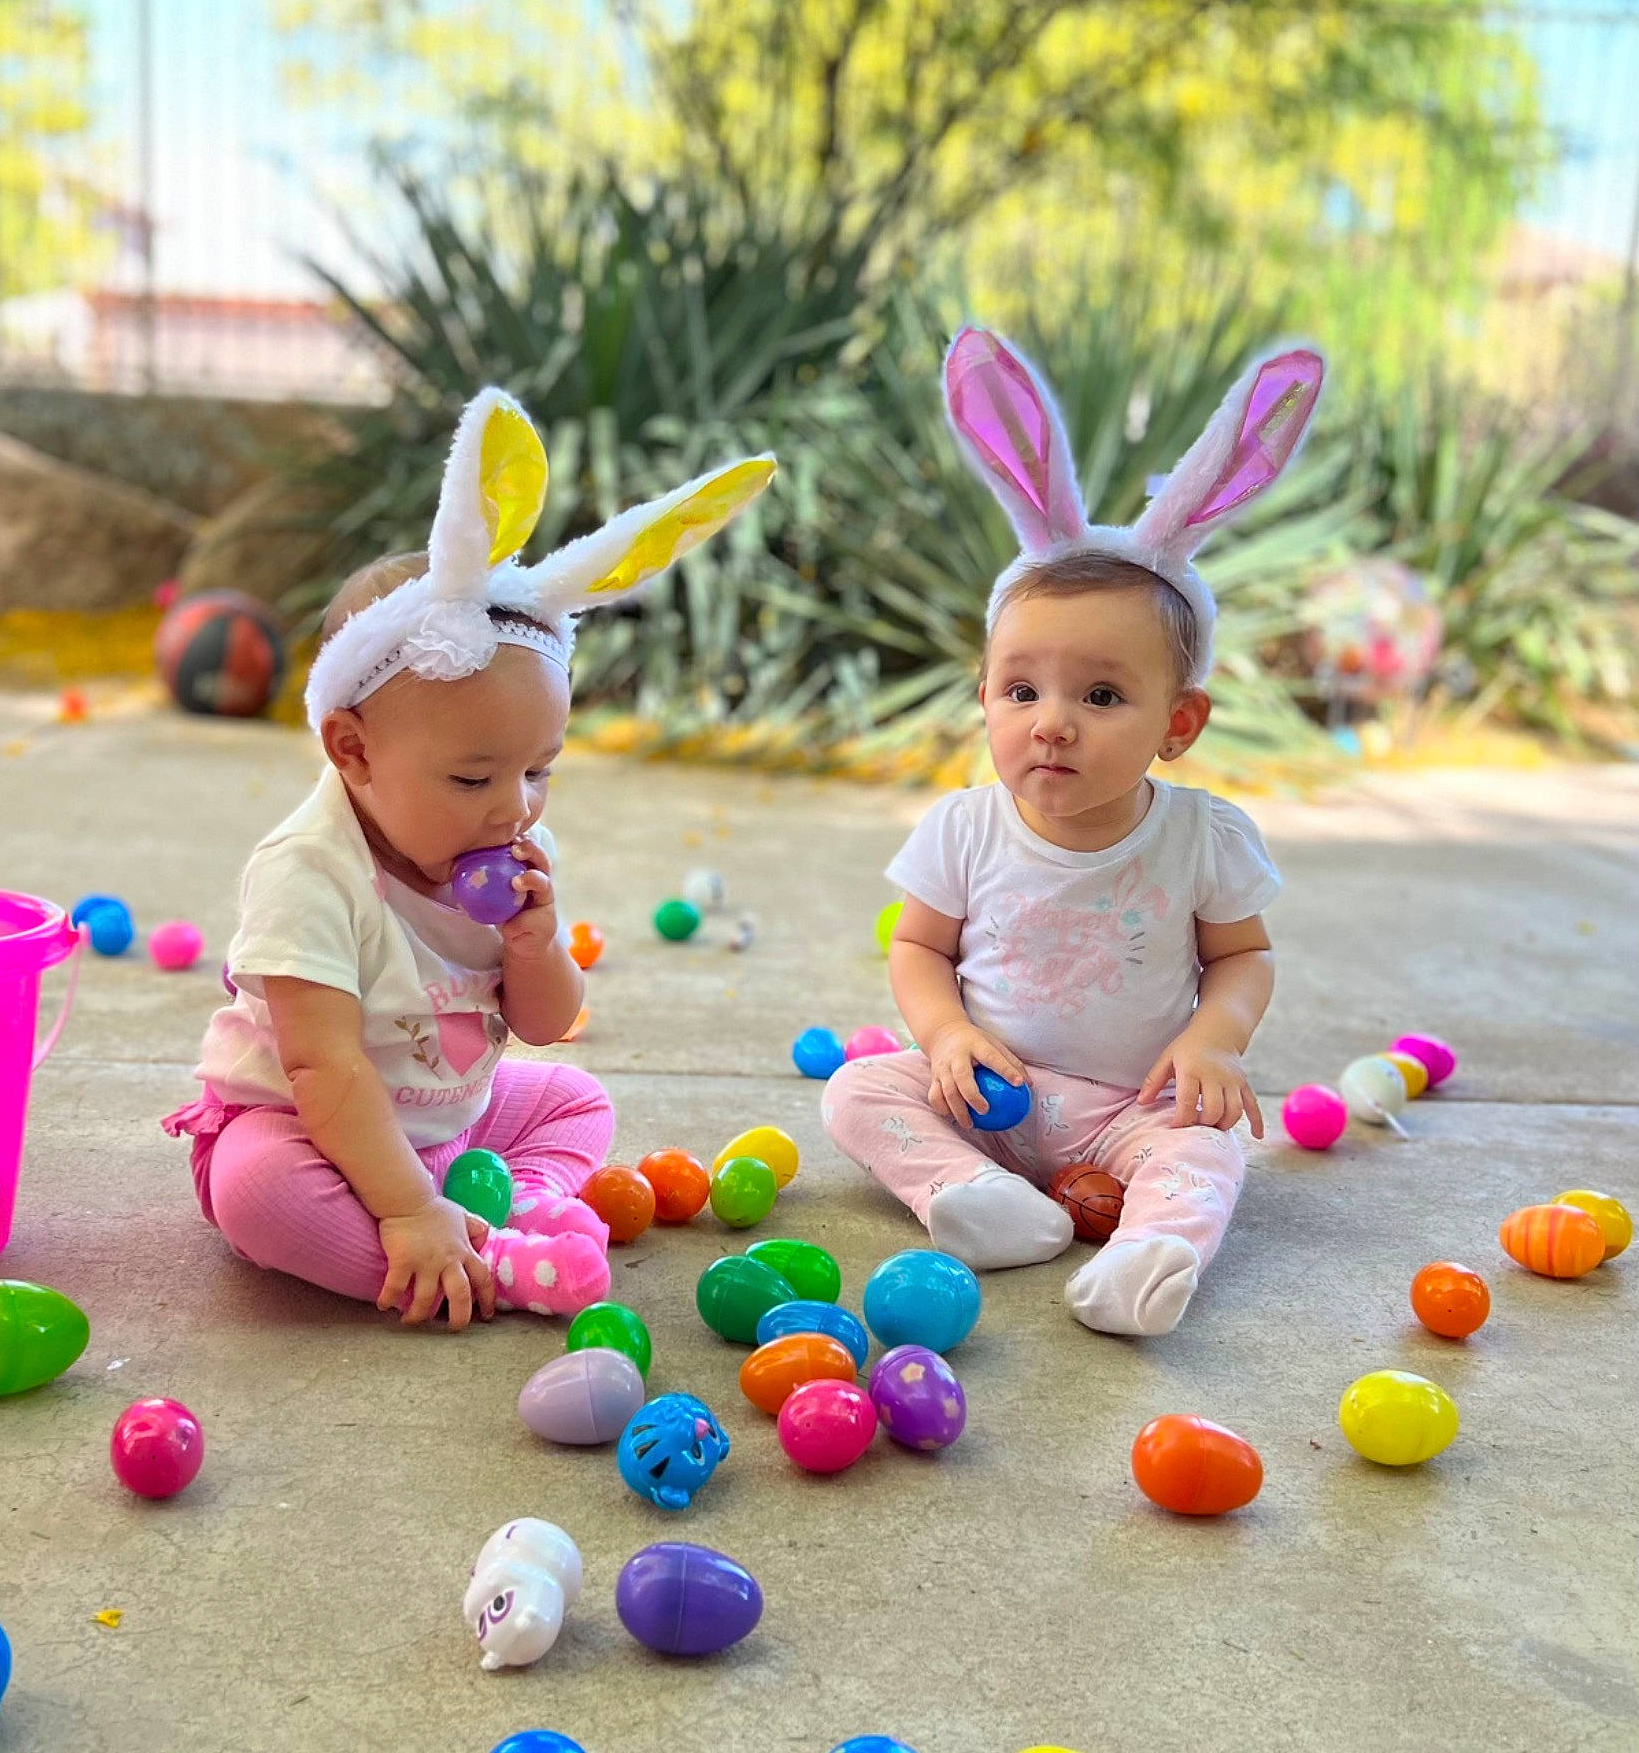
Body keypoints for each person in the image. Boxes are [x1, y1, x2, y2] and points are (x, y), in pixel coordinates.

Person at [165, 387, 775, 1328]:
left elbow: (546, 1024)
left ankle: (505, 1205)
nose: (513, 806)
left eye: (540, 769)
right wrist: (406, 1205)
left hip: (450, 1121)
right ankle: (476, 1258)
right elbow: (326, 1068)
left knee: (575, 1100)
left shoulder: (514, 844)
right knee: (257, 1192)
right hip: (306, 1127)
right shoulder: (309, 871)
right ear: (353, 750)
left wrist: (536, 947)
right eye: (472, 778)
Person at [823, 328, 1325, 1336]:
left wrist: (1212, 1039)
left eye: (1099, 693)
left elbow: (1242, 957)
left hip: (1131, 1106)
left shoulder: (1199, 836)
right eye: (1021, 688)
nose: (1049, 719)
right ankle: (974, 1198)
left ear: (1176, 723)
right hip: (990, 1093)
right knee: (856, 1089)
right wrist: (947, 1033)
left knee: (1212, 1145)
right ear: (983, 698)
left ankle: (1149, 1252)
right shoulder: (961, 825)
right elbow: (918, 945)